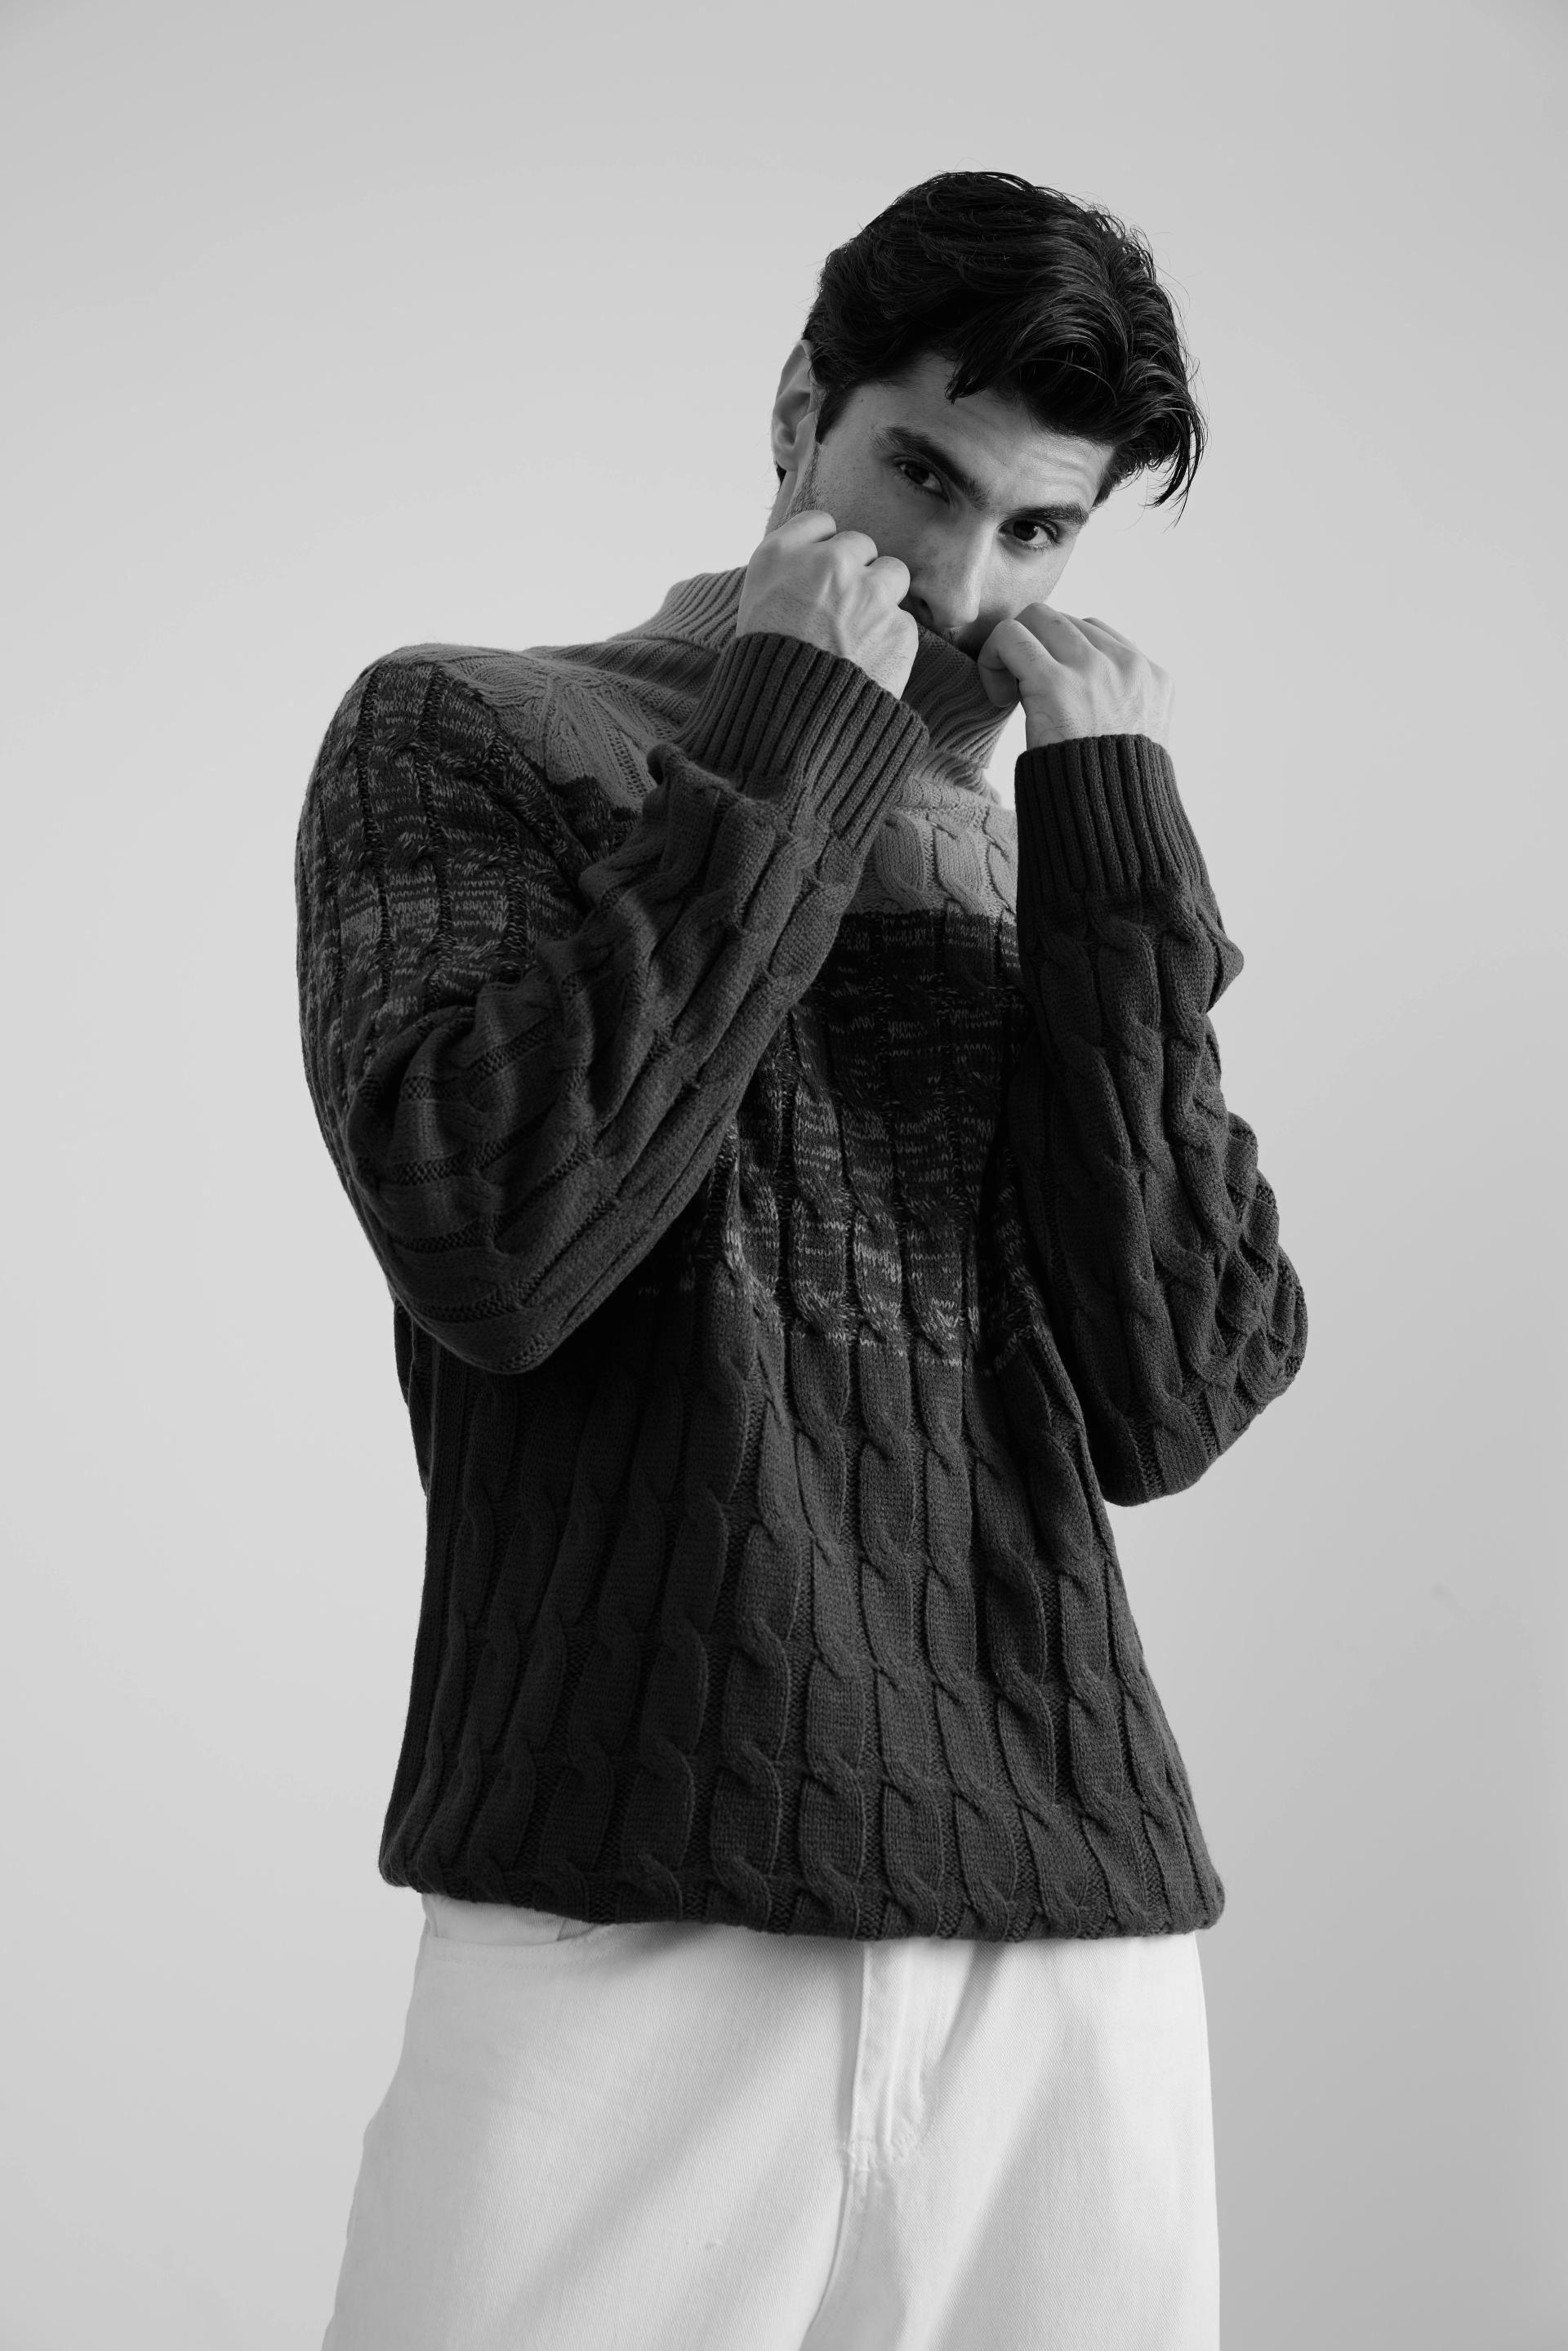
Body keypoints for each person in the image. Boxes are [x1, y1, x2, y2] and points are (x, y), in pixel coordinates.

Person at [296, 167, 1307, 2351]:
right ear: (796, 415)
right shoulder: (472, 730)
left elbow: (1181, 1392)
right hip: (621, 1895)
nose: (962, 581)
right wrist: (787, 738)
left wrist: (1117, 852)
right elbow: (500, 1239)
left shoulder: (1049, 867)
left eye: (1038, 531)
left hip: (1064, 1929)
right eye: (920, 478)